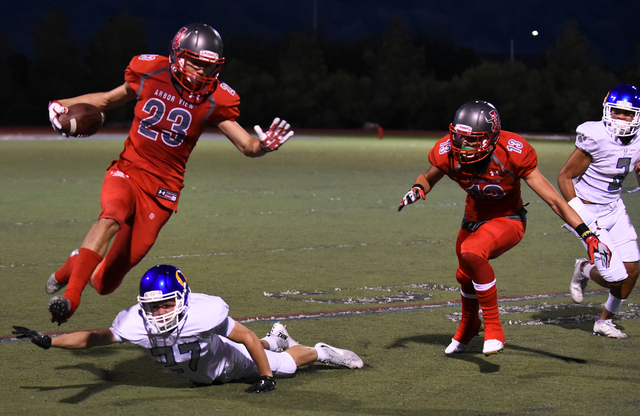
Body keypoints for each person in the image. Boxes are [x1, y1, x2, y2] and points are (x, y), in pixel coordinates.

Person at [44, 23, 294, 325]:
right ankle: (70, 298)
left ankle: (72, 265)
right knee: (111, 215)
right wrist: (62, 105)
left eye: (209, 67)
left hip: (162, 193)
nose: (201, 72)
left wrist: (264, 145)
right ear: (177, 55)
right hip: (129, 169)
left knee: (104, 283)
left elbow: (246, 145)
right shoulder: (150, 71)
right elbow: (108, 100)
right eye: (196, 63)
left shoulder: (217, 98)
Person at [398, 100, 612, 356]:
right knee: (464, 275)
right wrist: (418, 188)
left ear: (491, 137)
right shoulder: (448, 150)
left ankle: (493, 327)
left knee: (472, 252)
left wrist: (587, 234)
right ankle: (468, 325)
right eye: (460, 138)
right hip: (472, 218)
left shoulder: (513, 152)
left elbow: (554, 200)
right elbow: (428, 176)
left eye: (472, 140)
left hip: (508, 220)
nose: (463, 147)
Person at [15, 265, 363, 393]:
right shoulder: (136, 322)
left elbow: (243, 337)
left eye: (167, 304)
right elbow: (94, 339)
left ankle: (321, 351)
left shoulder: (202, 312)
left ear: (183, 299)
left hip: (229, 365)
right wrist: (50, 342)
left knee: (283, 365)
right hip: (205, 369)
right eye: (153, 306)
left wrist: (265, 377)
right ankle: (276, 338)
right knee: (255, 347)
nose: (160, 312)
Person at [557, 84, 640, 339]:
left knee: (633, 270)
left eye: (628, 114)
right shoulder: (596, 135)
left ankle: (603, 322)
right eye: (617, 112)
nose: (622, 118)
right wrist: (580, 215)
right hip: (589, 210)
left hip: (614, 207)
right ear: (607, 111)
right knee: (614, 278)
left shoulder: (638, 139)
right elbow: (564, 177)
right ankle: (583, 268)